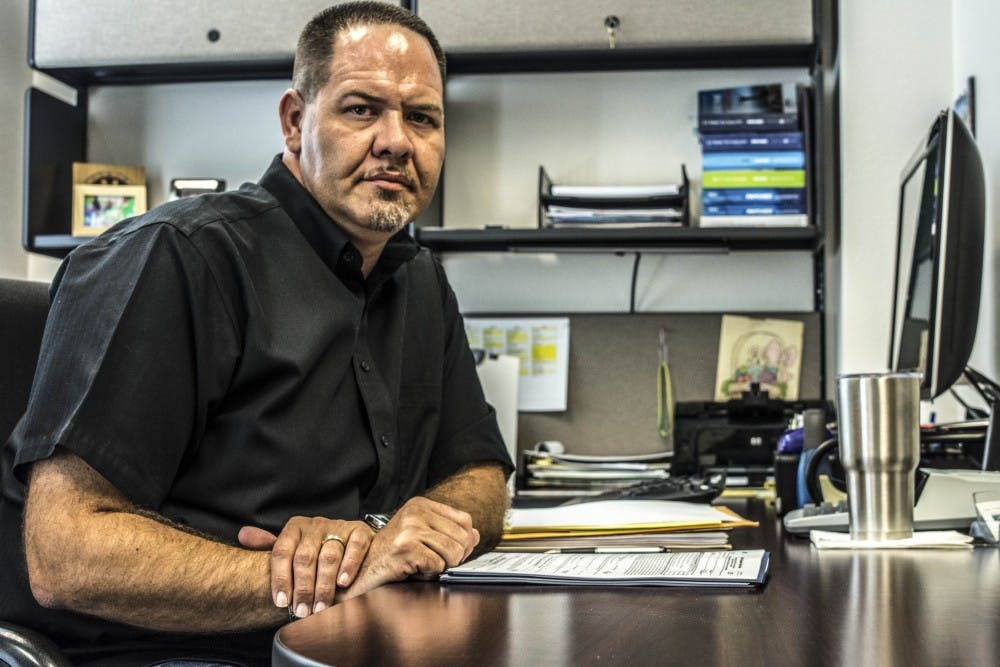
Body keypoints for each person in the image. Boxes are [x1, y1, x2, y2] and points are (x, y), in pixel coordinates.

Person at [0, 2, 512, 664]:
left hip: (344, 644)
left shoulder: (419, 284)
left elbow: (480, 476)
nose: (397, 140)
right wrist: (336, 574)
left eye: (422, 118)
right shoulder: (180, 256)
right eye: (362, 109)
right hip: (164, 653)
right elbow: (64, 553)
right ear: (297, 122)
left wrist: (389, 533)